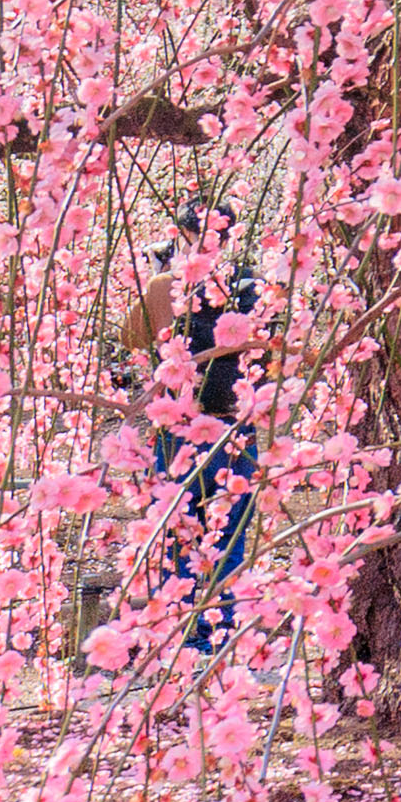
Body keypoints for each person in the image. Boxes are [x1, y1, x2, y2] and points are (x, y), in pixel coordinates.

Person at [117, 202, 256, 655]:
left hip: (179, 428)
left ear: (181, 233)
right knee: (228, 536)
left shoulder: (166, 285)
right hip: (237, 425)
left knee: (179, 532)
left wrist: (155, 277)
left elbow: (130, 338)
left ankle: (181, 633)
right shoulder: (252, 285)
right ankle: (221, 629)